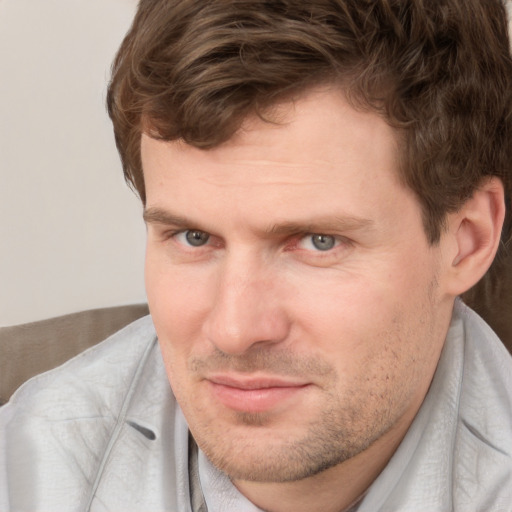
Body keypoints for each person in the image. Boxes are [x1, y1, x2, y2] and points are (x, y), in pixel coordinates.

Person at [1, 0, 512, 510]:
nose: (235, 330)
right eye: (192, 237)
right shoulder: (28, 470)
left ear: (467, 241)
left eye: (319, 242)